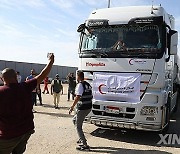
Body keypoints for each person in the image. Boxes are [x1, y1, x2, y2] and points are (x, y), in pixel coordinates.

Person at [0, 54, 54, 154]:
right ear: (16, 77)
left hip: (8, 135)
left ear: (2, 79)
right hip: (26, 131)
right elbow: (42, 75)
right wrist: (50, 61)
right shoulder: (25, 86)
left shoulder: (1, 92)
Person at [69, 71, 92, 151]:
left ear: (78, 76)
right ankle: (81, 137)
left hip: (82, 108)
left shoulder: (80, 85)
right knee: (74, 120)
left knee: (78, 126)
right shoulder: (87, 84)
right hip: (88, 107)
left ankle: (84, 144)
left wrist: (72, 107)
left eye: (76, 76)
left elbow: (78, 97)